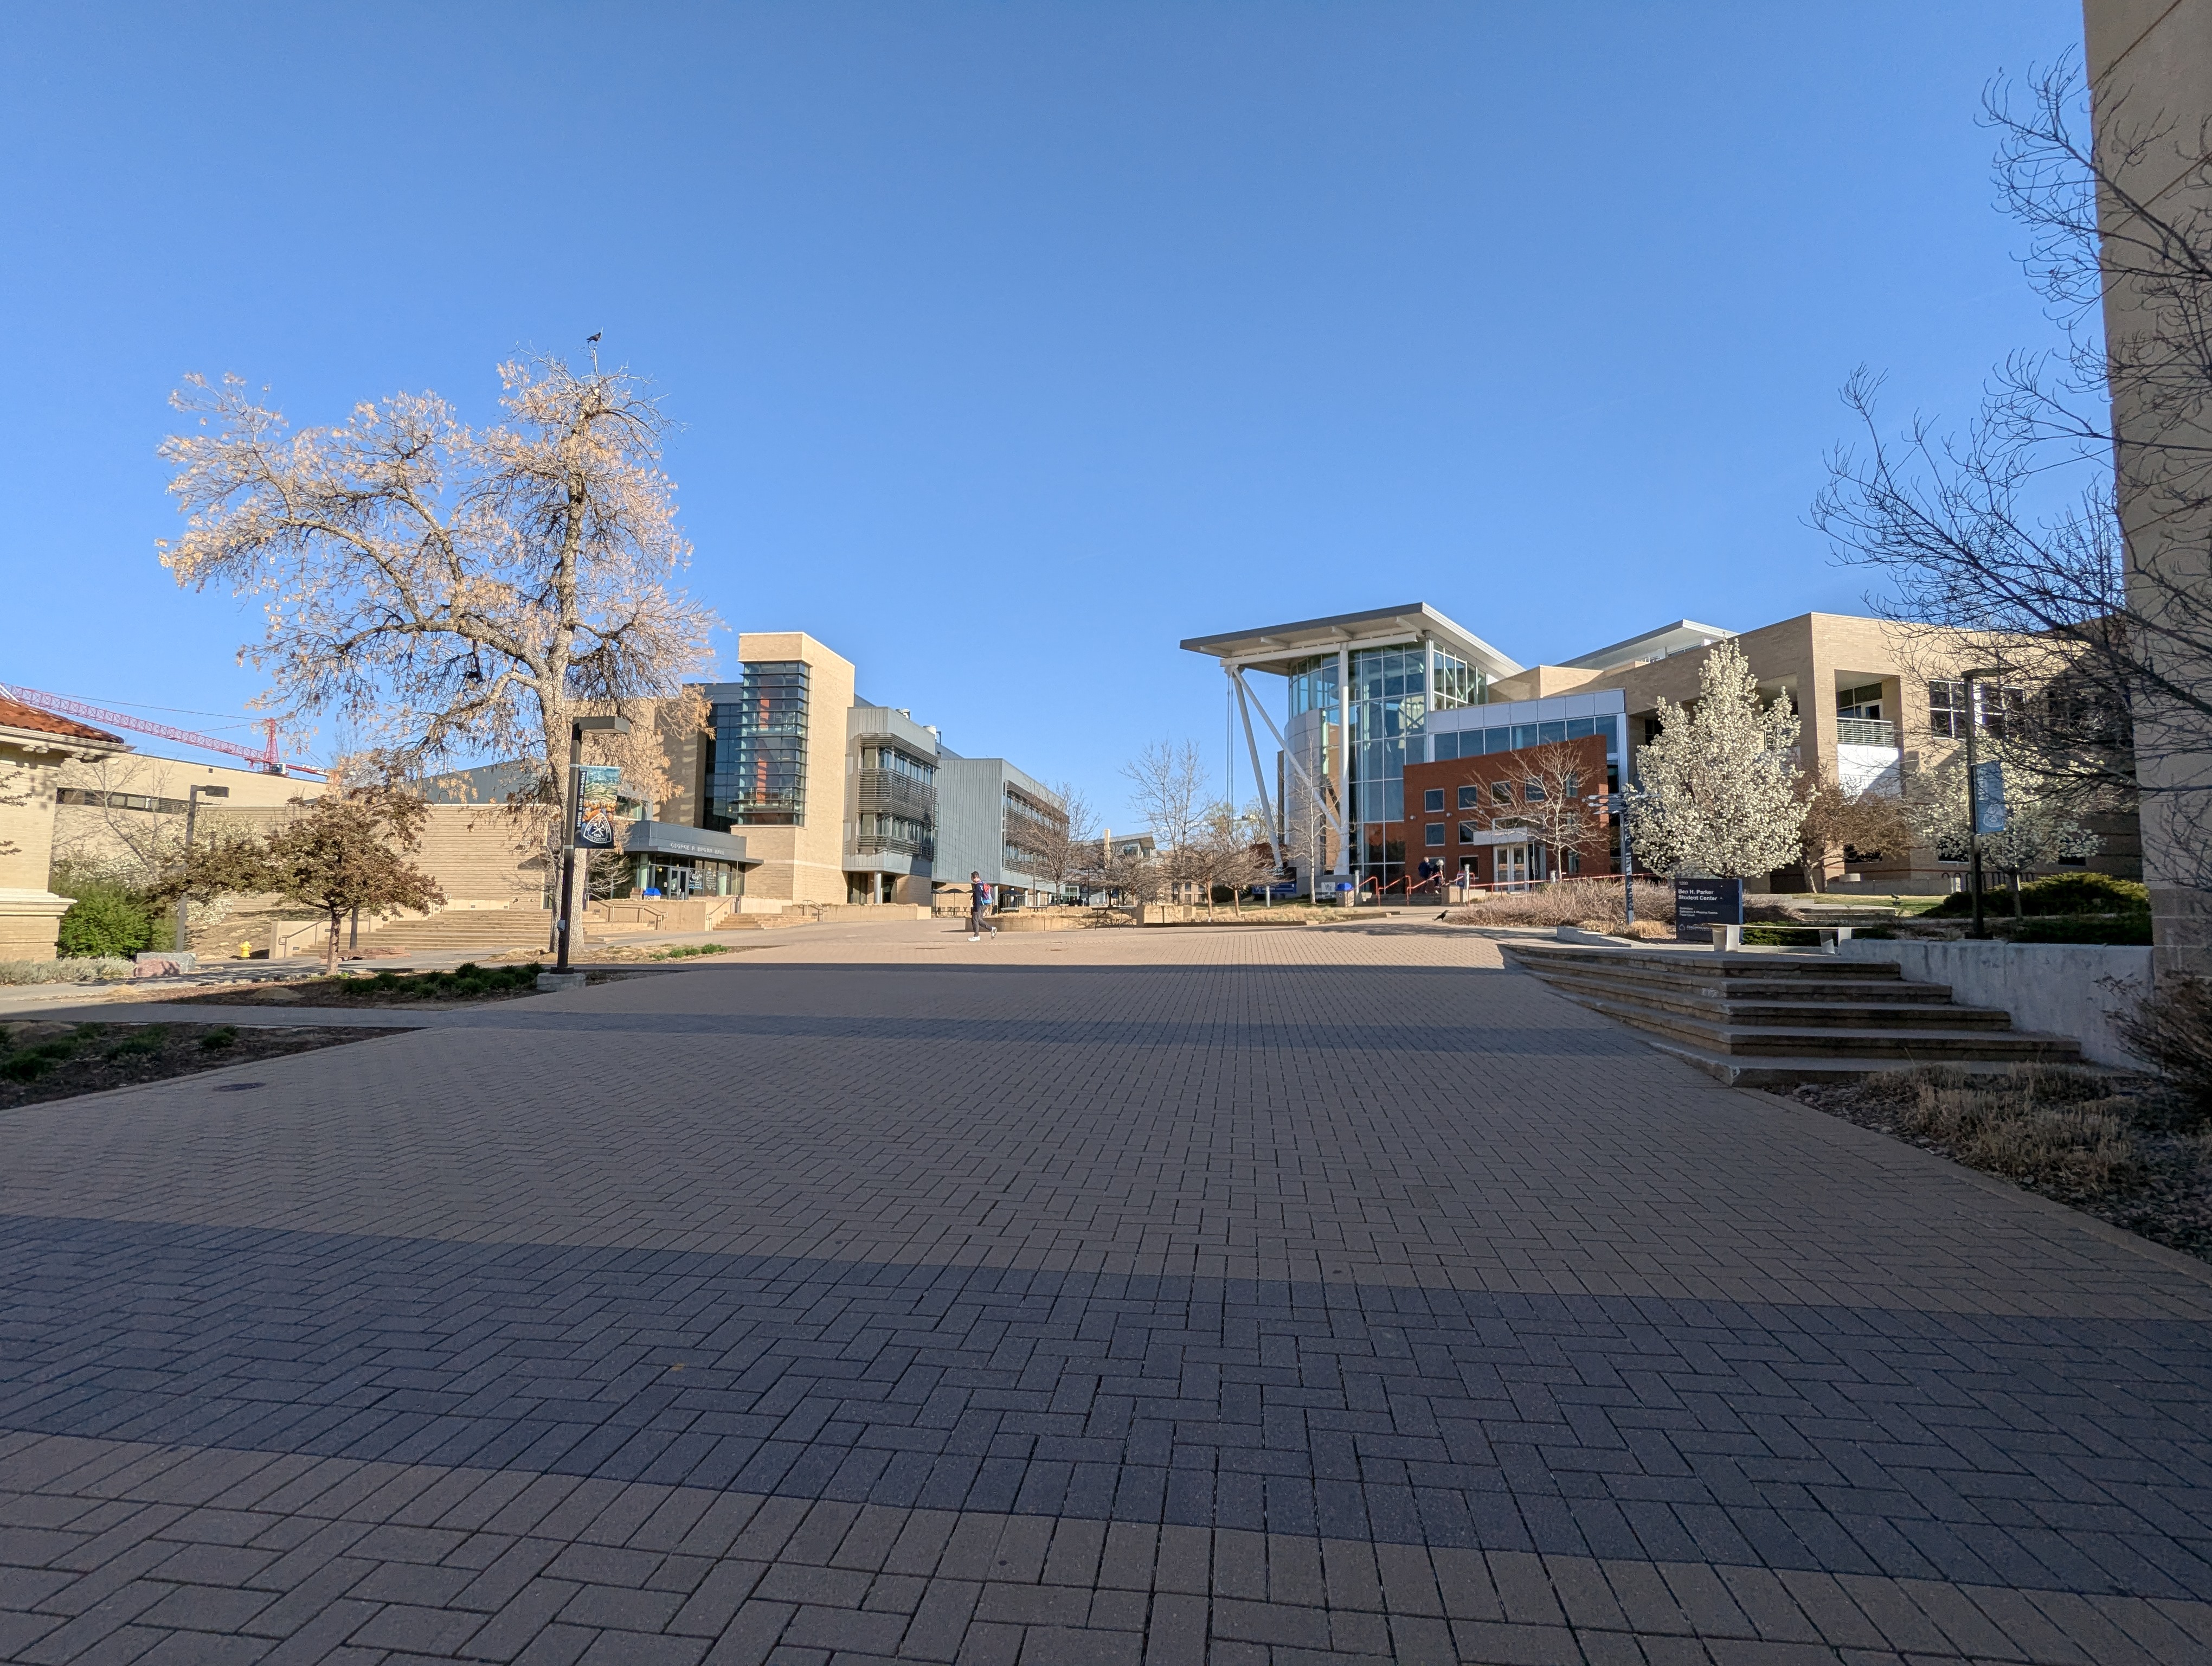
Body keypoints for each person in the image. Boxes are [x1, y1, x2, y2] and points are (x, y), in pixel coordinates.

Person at [968, 870, 995, 940]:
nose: (971, 879)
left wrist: (976, 908)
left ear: (975, 877)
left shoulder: (977, 885)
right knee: (979, 920)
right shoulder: (983, 884)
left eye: (972, 878)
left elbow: (978, 897)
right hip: (985, 904)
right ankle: (992, 929)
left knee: (974, 919)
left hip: (979, 905)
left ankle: (976, 936)